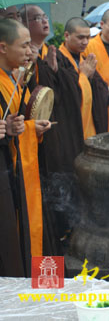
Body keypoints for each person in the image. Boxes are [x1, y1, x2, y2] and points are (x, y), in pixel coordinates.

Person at [0, 19, 45, 274]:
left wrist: (30, 127)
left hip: (17, 173)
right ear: (3, 47)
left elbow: (20, 121)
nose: (30, 51)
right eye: (24, 45)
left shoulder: (13, 79)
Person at [59, 17, 109, 139]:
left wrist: (91, 78)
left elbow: (100, 90)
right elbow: (65, 96)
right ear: (67, 36)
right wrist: (84, 76)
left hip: (89, 124)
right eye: (80, 37)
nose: (85, 42)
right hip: (71, 128)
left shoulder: (84, 59)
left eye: (88, 37)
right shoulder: (58, 60)